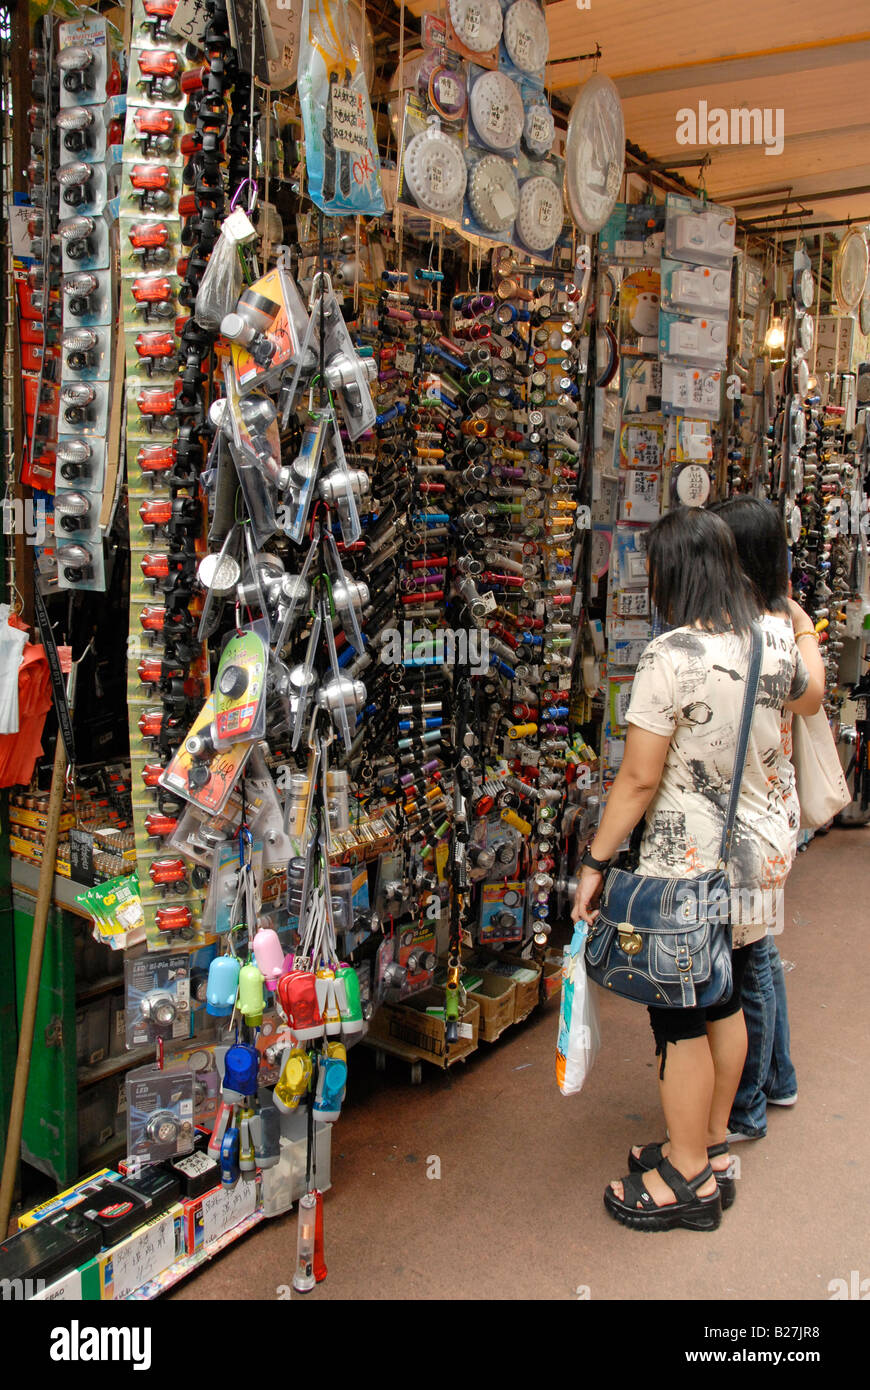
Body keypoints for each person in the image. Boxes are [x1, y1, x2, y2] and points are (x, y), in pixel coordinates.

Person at [572, 507, 824, 1232]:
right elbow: (811, 696)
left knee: (680, 1012)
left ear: (672, 573)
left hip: (687, 866)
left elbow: (639, 781)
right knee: (722, 997)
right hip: (754, 862)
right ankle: (711, 1146)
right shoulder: (769, 642)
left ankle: (685, 1179)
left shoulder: (669, 656)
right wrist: (802, 626)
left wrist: (594, 862)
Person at [711, 497, 826, 1138]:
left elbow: (810, 698)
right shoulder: (770, 624)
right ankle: (777, 1078)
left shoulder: (758, 630)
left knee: (749, 961)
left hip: (753, 824)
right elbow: (809, 698)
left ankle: (747, 1106)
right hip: (771, 815)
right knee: (762, 949)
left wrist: (797, 623)